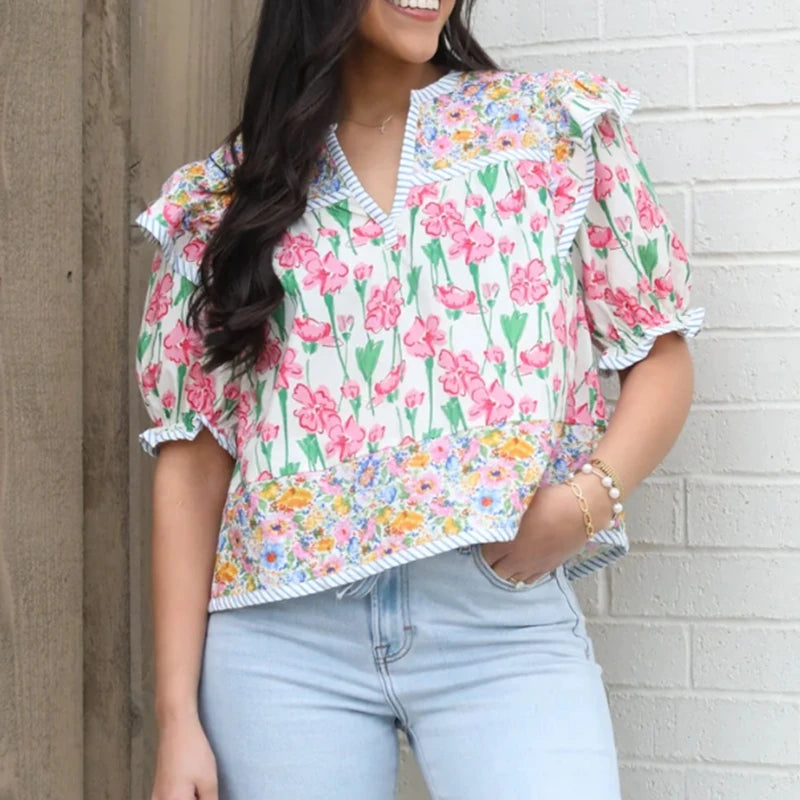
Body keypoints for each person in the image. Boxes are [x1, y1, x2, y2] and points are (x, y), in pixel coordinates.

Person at [134, 1, 705, 798]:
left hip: (496, 620)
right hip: (280, 644)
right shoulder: (226, 199)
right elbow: (192, 461)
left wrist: (583, 504)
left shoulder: (551, 130)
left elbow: (660, 352)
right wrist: (176, 720)